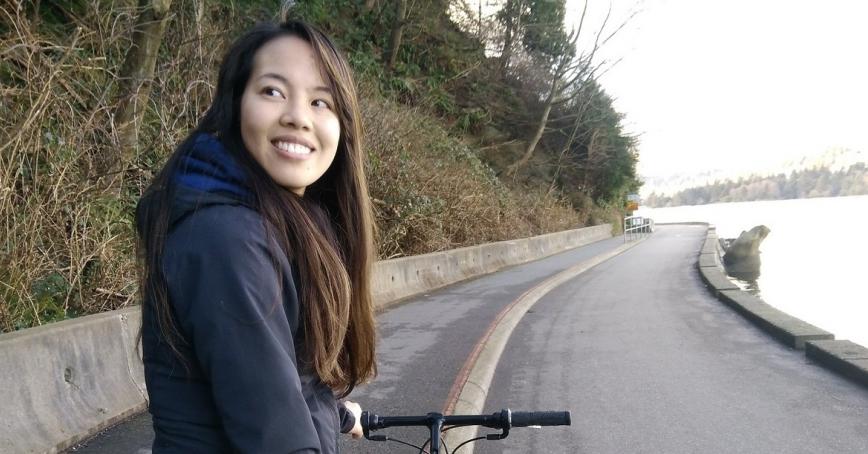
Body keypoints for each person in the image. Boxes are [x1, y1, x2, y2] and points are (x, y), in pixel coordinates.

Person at [136, 18, 377, 453]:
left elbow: (276, 378)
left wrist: (339, 413)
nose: (298, 117)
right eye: (272, 91)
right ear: (235, 105)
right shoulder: (228, 239)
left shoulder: (281, 221)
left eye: (322, 102)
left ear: (343, 127)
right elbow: (275, 436)